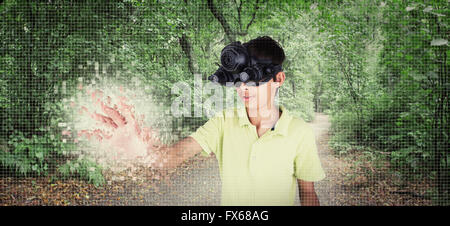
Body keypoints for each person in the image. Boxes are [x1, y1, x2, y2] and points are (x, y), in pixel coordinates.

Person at [149, 36, 326, 206]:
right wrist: (136, 139)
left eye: (252, 80)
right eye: (237, 80)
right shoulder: (223, 122)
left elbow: (308, 191)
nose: (242, 88)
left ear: (278, 79)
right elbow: (172, 156)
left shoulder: (299, 132)